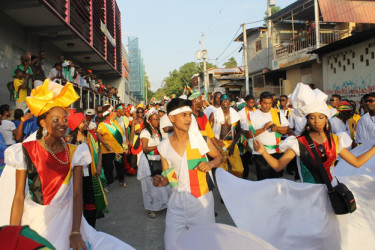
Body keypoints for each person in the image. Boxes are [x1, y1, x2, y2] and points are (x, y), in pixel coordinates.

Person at [2, 79, 133, 249]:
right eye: (56, 119)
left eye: (65, 119)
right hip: (35, 219)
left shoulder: (76, 152)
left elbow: (78, 195)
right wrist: (14, 234)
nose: (63, 123)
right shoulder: (25, 150)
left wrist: (76, 232)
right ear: (43, 123)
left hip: (67, 219)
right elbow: (19, 197)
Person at [254, 84, 375, 183]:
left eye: (321, 117)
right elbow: (278, 166)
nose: (317, 121)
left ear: (326, 119)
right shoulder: (298, 142)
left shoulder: (335, 140)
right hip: (308, 195)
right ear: (307, 120)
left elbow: (357, 162)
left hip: (331, 193)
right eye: (312, 117)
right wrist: (263, 152)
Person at [153, 98, 222, 250]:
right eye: (183, 115)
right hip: (176, 204)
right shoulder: (163, 146)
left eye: (189, 115)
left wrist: (210, 164)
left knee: (205, 244)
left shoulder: (201, 139)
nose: (188, 119)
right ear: (171, 118)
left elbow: (219, 157)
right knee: (172, 244)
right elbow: (171, 177)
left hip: (201, 202)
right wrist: (163, 181)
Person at [67, 109, 107, 228]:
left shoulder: (90, 136)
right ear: (76, 125)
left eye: (85, 121)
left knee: (90, 200)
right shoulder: (69, 140)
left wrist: (99, 165)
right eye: (83, 122)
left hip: (90, 173)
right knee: (77, 199)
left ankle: (90, 227)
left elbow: (99, 150)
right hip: (74, 176)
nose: (86, 123)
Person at [138, 109, 170, 219]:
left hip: (158, 160)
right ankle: (150, 208)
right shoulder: (145, 132)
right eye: (154, 120)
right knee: (149, 186)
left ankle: (162, 205)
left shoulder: (158, 131)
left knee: (161, 184)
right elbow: (145, 148)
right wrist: (160, 146)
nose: (157, 121)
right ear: (149, 121)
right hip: (148, 162)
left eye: (158, 119)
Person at [250, 92, 289, 180]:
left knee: (276, 180)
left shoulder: (277, 113)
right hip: (260, 153)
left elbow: (287, 129)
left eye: (270, 103)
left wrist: (277, 129)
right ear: (260, 102)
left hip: (276, 152)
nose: (267, 106)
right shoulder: (253, 115)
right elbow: (249, 134)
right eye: (265, 103)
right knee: (263, 180)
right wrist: (263, 129)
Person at [210, 94, 243, 178]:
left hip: (232, 143)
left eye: (227, 100)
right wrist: (216, 144)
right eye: (223, 100)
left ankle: (236, 184)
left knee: (239, 169)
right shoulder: (214, 114)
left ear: (230, 102)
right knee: (222, 170)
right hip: (219, 143)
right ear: (220, 102)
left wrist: (232, 145)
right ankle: (224, 186)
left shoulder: (235, 114)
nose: (225, 102)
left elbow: (239, 131)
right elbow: (208, 131)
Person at [96, 105, 126, 189]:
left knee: (120, 165)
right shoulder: (103, 124)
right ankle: (108, 182)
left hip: (118, 149)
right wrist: (104, 143)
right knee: (108, 167)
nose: (116, 112)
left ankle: (121, 180)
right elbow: (98, 135)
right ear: (111, 113)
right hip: (107, 149)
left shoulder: (116, 122)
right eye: (115, 111)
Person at [238, 95, 256, 179]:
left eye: (253, 102)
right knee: (245, 158)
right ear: (246, 102)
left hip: (255, 137)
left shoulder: (257, 112)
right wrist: (243, 131)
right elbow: (237, 126)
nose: (252, 104)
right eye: (250, 102)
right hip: (245, 137)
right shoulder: (241, 113)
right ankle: (245, 175)